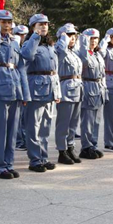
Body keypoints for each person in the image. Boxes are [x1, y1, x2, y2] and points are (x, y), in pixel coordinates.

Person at [20, 14, 60, 173]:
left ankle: (43, 157)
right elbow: (27, 56)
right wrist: (35, 37)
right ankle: (35, 160)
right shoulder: (30, 43)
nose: (44, 27)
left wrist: (57, 91)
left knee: (45, 126)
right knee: (33, 127)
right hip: (35, 89)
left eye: (45, 24)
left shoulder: (50, 45)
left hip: (49, 89)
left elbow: (54, 70)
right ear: (33, 27)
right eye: (39, 24)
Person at [0, 9, 26, 179]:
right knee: (0, 131)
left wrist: (24, 93)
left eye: (9, 22)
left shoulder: (14, 42)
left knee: (12, 131)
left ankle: (8, 164)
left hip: (14, 87)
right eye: (2, 22)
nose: (7, 25)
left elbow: (21, 68)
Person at [54, 23, 83, 165]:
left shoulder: (74, 53)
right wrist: (63, 40)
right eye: (69, 35)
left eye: (74, 35)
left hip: (77, 89)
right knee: (63, 123)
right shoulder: (59, 50)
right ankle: (62, 150)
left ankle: (71, 147)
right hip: (66, 89)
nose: (72, 38)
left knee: (73, 123)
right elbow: (61, 53)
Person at [77, 28, 106, 159]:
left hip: (99, 88)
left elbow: (103, 73)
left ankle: (93, 145)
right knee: (87, 121)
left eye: (95, 38)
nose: (93, 41)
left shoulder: (97, 54)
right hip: (88, 87)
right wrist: (83, 43)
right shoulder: (82, 53)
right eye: (90, 38)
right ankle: (86, 147)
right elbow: (84, 61)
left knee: (96, 121)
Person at [13, 24, 29, 151]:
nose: (22, 37)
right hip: (14, 82)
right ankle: (19, 140)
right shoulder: (14, 46)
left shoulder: (26, 47)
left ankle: (23, 139)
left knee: (24, 117)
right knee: (18, 117)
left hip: (25, 82)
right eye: (19, 34)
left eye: (24, 34)